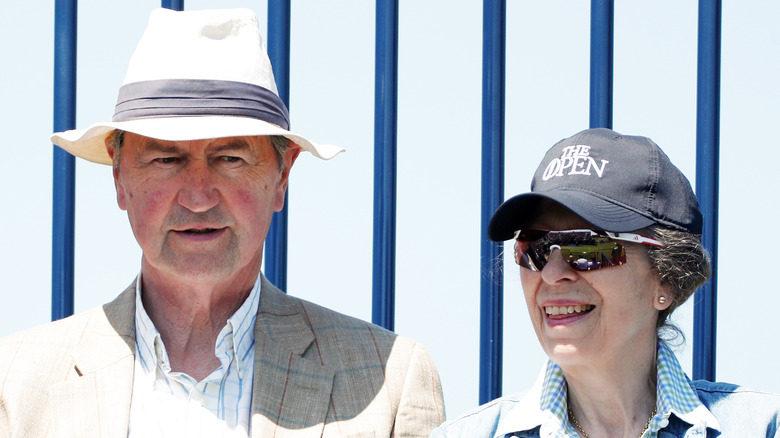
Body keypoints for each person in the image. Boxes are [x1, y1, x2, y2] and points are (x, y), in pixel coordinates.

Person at [0, 8, 444, 437]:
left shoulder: (388, 381)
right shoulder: (16, 383)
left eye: (230, 158)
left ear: (281, 176)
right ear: (119, 176)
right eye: (165, 158)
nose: (197, 197)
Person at [432, 128, 780, 437]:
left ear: (666, 280)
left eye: (587, 246)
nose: (552, 274)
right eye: (534, 248)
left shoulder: (760, 427)